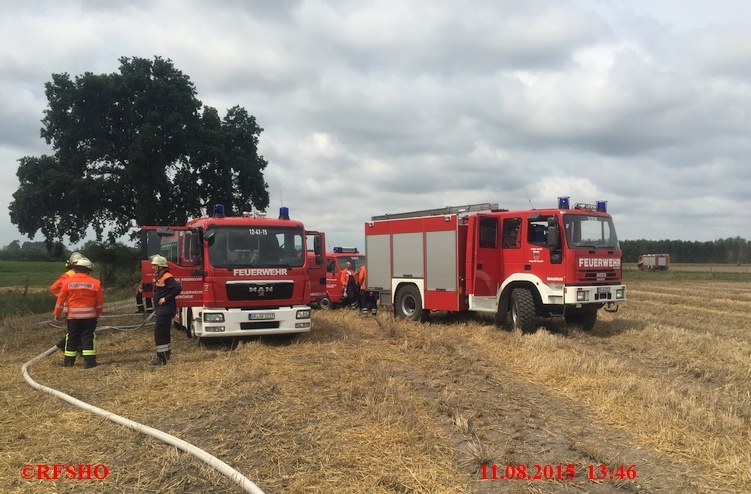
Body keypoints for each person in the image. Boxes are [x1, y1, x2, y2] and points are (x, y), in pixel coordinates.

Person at [53, 258, 103, 368]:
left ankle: (68, 362)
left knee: (72, 336)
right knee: (88, 336)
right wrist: (98, 313)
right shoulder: (95, 283)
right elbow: (99, 301)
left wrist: (57, 313)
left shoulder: (67, 283)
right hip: (90, 316)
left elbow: (61, 300)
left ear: (76, 270)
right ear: (88, 270)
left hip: (73, 316)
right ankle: (89, 362)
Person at [150, 255, 182, 366]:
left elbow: (178, 288)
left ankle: (161, 357)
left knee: (160, 333)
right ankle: (165, 355)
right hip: (162, 310)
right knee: (163, 332)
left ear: (161, 266)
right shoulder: (160, 276)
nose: (153, 267)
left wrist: (166, 298)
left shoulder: (167, 276)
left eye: (155, 265)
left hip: (165, 310)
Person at [50, 251, 84, 350]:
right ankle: (67, 346)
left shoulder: (79, 273)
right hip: (72, 307)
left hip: (78, 306)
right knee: (76, 330)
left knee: (78, 330)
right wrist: (65, 297)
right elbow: (54, 288)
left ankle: (76, 348)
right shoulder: (69, 275)